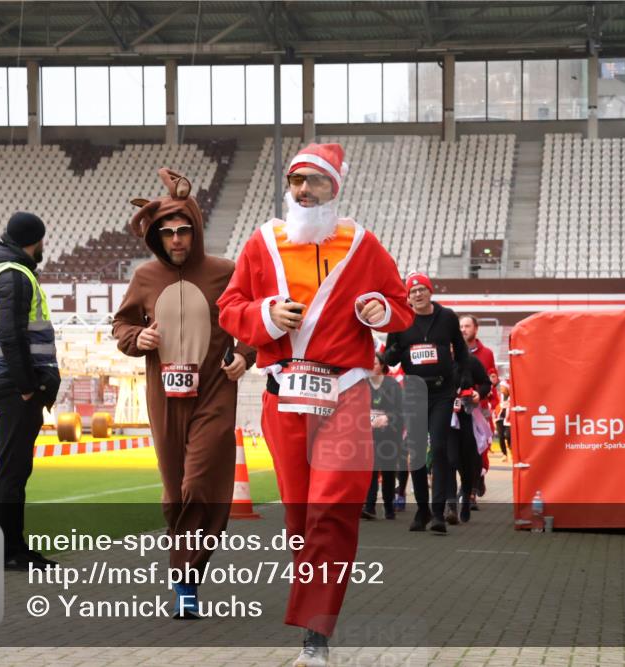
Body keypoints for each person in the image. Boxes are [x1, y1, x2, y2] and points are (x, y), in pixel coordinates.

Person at [217, 142, 413, 666]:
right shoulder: (262, 243)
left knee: (333, 510)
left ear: (335, 188)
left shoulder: (364, 245)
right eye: (296, 181)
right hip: (283, 397)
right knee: (302, 518)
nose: (303, 191)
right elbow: (229, 308)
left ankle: (315, 635)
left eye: (315, 182)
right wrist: (264, 315)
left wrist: (378, 309)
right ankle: (314, 619)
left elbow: (399, 309)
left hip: (345, 394)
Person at [112, 168, 254, 619]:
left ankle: (187, 573)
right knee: (175, 495)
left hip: (214, 393)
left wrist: (244, 355)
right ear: (156, 236)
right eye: (167, 232)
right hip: (165, 398)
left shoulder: (224, 272)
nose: (176, 239)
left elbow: (252, 317)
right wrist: (139, 340)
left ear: (195, 230)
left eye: (183, 230)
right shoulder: (145, 277)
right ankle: (186, 578)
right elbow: (122, 325)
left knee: (200, 486)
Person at [0, 212, 61, 570]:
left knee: (14, 468)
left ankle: (12, 548)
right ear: (35, 240)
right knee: (12, 470)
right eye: (42, 241)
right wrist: (28, 386)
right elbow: (12, 335)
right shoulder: (15, 274)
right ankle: (9, 552)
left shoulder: (2, 271)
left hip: (8, 382)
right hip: (16, 385)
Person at [384, 272, 469, 535]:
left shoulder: (447, 317)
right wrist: (394, 352)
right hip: (414, 392)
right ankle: (422, 510)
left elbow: (461, 351)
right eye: (412, 291)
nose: (417, 294)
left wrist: (459, 380)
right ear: (407, 297)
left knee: (440, 447)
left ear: (430, 291)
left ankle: (438, 512)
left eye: (422, 289)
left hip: (442, 392)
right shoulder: (401, 321)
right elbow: (389, 358)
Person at [459, 315, 499, 497]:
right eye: (460, 326)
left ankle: (474, 485)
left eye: (467, 326)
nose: (463, 330)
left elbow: (490, 379)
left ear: (476, 329)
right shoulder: (453, 352)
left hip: (479, 408)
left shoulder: (487, 353)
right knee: (460, 449)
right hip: (458, 409)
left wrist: (491, 383)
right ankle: (470, 484)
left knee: (479, 447)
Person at [362, 351, 404, 521]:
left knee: (388, 471)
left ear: (382, 365)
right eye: (369, 363)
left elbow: (401, 409)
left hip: (389, 435)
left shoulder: (392, 385)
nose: (372, 366)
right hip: (368, 435)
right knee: (370, 471)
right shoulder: (363, 385)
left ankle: (389, 507)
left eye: (375, 363)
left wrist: (387, 418)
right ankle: (369, 506)